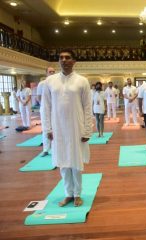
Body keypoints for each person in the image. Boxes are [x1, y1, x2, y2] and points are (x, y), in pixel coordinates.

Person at [42, 49, 92, 207]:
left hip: (76, 126)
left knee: (76, 162)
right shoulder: (50, 81)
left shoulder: (82, 81)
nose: (64, 60)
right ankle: (68, 194)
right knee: (63, 162)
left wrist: (87, 130)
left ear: (74, 61)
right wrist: (48, 129)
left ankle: (77, 194)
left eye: (67, 57)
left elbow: (87, 107)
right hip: (58, 128)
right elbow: (45, 107)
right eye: (61, 58)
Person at [37, 66, 55, 157]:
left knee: (55, 128)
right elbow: (39, 97)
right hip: (44, 108)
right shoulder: (42, 83)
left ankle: (55, 149)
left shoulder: (56, 83)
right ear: (46, 73)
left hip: (55, 108)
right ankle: (46, 149)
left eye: (53, 72)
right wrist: (44, 106)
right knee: (45, 129)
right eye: (50, 71)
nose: (52, 73)